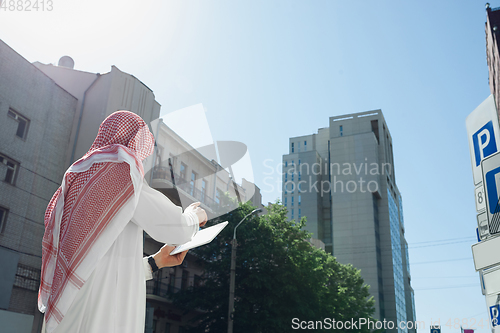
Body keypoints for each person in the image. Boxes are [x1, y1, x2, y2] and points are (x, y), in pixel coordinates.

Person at [38, 111, 207, 333]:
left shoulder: (75, 181)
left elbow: (98, 264)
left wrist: (154, 263)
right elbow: (177, 229)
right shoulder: (121, 173)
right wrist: (195, 217)